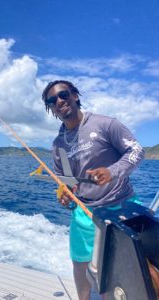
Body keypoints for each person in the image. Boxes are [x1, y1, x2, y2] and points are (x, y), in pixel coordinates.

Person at [42, 80, 145, 300]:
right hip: (84, 213)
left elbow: (136, 151)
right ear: (51, 108)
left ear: (75, 96)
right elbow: (68, 183)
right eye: (52, 100)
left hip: (121, 208)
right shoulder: (58, 145)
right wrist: (66, 197)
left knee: (122, 272)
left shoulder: (105, 124)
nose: (59, 101)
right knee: (81, 265)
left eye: (64, 94)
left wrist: (113, 171)